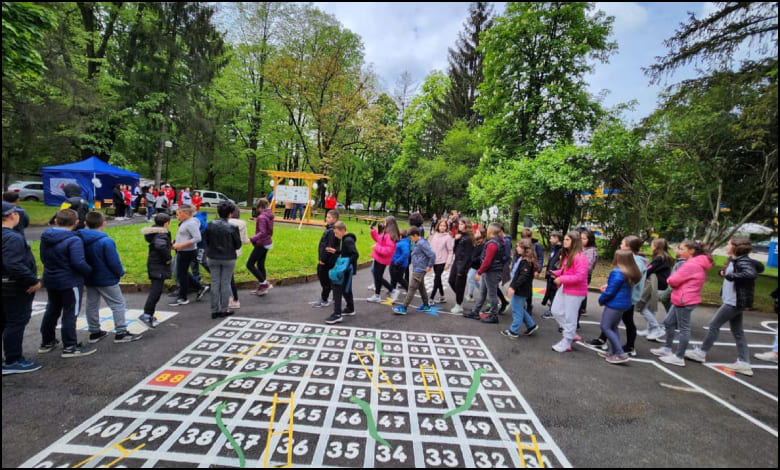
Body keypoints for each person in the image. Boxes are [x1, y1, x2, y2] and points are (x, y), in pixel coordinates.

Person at [684, 238, 764, 376]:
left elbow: (750, 273)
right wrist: (724, 272)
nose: (726, 246)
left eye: (728, 244)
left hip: (733, 301)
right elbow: (755, 268)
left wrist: (731, 275)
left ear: (736, 247)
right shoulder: (737, 260)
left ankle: (701, 352)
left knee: (714, 324)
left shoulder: (743, 261)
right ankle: (744, 363)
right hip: (734, 300)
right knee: (738, 331)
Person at [39, 209, 95, 357]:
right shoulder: (74, 240)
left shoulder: (46, 237)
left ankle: (47, 341)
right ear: (76, 223)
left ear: (56, 221)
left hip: (50, 277)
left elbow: (43, 258)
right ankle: (70, 346)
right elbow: (78, 262)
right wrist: (89, 270)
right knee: (71, 312)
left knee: (52, 310)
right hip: (70, 280)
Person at [80, 211, 143, 344]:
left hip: (88, 276)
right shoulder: (106, 241)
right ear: (104, 223)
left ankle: (94, 331)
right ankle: (121, 332)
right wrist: (120, 272)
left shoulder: (79, 238)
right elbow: (113, 262)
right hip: (106, 277)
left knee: (92, 304)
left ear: (85, 223)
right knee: (118, 304)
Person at [650, 240, 713, 366]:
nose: (680, 250)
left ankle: (679, 356)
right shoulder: (693, 263)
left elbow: (673, 280)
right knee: (668, 322)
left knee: (684, 328)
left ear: (691, 251)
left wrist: (670, 279)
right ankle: (667, 348)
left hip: (685, 299)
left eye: (683, 248)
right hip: (682, 297)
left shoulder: (691, 265)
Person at [589, 235, 647, 356]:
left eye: (622, 243)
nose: (620, 245)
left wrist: (603, 298)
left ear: (629, 247)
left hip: (624, 299)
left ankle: (624, 349)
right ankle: (610, 347)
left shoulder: (632, 263)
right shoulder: (629, 263)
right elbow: (621, 282)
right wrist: (610, 285)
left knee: (612, 324)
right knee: (612, 325)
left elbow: (627, 282)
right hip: (624, 298)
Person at [2, 201, 42, 374]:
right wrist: (32, 280)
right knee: (16, 321)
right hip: (13, 286)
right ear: (13, 215)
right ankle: (13, 359)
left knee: (5, 321)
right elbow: (14, 264)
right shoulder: (12, 238)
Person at [597, 249, 642, 364]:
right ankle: (613, 352)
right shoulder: (630, 272)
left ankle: (620, 353)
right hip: (623, 304)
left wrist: (601, 299)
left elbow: (611, 291)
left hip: (614, 304)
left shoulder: (617, 272)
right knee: (613, 327)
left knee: (605, 326)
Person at [549, 231, 588, 353]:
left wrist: (561, 278)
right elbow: (567, 271)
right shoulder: (568, 255)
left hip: (575, 292)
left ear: (574, 242)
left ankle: (567, 342)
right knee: (555, 310)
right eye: (565, 239)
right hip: (566, 287)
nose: (564, 241)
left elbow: (580, 277)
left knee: (570, 317)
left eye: (567, 240)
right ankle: (571, 334)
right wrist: (557, 273)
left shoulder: (580, 258)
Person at [204, 201, 242, 319]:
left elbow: (206, 240)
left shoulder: (210, 224)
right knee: (225, 283)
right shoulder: (233, 227)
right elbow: (237, 245)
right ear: (230, 214)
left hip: (213, 256)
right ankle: (225, 309)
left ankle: (214, 310)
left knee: (215, 282)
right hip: (228, 257)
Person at [465, 222, 506, 324]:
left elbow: (488, 261)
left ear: (490, 231)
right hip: (490, 271)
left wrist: (479, 272)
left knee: (492, 294)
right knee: (482, 292)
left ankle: (494, 315)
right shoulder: (496, 242)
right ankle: (475, 311)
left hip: (492, 272)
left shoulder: (492, 244)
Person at [169, 204, 209, 306]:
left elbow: (197, 238)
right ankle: (200, 287)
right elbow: (184, 236)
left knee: (181, 274)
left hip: (187, 252)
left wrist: (181, 245)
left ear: (186, 213)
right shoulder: (187, 222)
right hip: (183, 250)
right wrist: (175, 244)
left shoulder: (190, 223)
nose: (177, 216)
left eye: (179, 214)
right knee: (182, 273)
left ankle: (183, 297)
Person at [501, 239, 540, 338]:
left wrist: (513, 287)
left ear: (525, 249)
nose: (516, 248)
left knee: (516, 310)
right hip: (521, 289)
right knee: (519, 309)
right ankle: (531, 325)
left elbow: (523, 277)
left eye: (518, 246)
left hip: (520, 290)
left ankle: (513, 331)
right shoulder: (524, 259)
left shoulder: (526, 262)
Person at [393, 226, 435, 315]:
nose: (410, 239)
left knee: (411, 288)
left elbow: (432, 255)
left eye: (411, 237)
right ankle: (426, 305)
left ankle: (404, 308)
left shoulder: (422, 243)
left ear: (416, 235)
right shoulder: (417, 242)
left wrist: (429, 266)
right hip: (417, 268)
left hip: (420, 269)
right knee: (421, 287)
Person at [140, 213, 172, 329]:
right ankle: (147, 314)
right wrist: (168, 258)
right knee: (156, 291)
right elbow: (160, 246)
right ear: (166, 223)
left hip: (154, 263)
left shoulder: (154, 233)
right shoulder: (162, 234)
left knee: (156, 290)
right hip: (159, 265)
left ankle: (148, 313)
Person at [638, 238, 672, 340]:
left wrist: (642, 277)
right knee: (650, 308)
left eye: (652, 244)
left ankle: (656, 329)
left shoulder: (659, 258)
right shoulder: (666, 257)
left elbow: (648, 269)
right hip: (660, 286)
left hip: (656, 286)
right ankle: (650, 330)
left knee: (643, 308)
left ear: (657, 246)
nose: (651, 246)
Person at [325, 221, 359, 324]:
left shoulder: (347, 240)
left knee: (337, 288)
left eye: (336, 233)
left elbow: (355, 254)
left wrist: (346, 264)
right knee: (346, 289)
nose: (336, 235)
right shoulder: (346, 239)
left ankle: (337, 314)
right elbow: (346, 253)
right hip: (348, 269)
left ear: (343, 230)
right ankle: (350, 308)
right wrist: (335, 251)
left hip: (346, 270)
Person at [367, 216, 400, 303]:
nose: (383, 223)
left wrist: (376, 247)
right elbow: (378, 239)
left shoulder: (389, 236)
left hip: (382, 259)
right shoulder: (386, 233)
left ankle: (393, 290)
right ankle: (377, 295)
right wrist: (373, 230)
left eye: (385, 222)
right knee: (377, 275)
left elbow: (389, 250)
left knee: (378, 276)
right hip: (379, 257)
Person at [313, 210, 339, 308]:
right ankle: (332, 294)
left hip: (327, 260)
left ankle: (324, 299)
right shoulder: (329, 229)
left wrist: (322, 260)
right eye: (326, 217)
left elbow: (329, 247)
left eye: (329, 217)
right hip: (328, 259)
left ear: (335, 219)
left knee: (324, 279)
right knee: (325, 279)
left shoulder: (332, 231)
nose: (326, 219)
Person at [248, 198, 274, 296]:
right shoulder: (269, 215)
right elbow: (268, 231)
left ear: (259, 207)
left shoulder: (262, 217)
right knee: (260, 265)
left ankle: (264, 283)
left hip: (262, 243)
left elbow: (262, 232)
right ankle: (262, 288)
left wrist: (251, 239)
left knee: (250, 264)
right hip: (267, 243)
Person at [448, 217, 474, 314]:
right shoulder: (460, 236)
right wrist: (456, 240)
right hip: (456, 261)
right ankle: (460, 298)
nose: (460, 225)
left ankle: (459, 304)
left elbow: (468, 255)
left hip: (462, 264)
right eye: (459, 224)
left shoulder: (468, 238)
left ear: (467, 225)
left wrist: (462, 269)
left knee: (460, 285)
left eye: (462, 224)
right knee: (451, 281)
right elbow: (455, 250)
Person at [228, 205, 250, 309]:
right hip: (235, 251)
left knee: (227, 277)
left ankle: (233, 299)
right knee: (229, 275)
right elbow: (245, 241)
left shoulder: (225, 223)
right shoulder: (242, 224)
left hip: (223, 251)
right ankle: (233, 299)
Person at [429, 219, 454, 304]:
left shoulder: (448, 237)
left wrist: (448, 264)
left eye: (444, 226)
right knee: (438, 278)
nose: (442, 227)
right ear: (438, 226)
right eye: (441, 225)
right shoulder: (435, 235)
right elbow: (431, 248)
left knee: (436, 278)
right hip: (434, 261)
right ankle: (442, 296)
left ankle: (431, 298)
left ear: (447, 227)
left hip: (442, 261)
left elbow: (451, 251)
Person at [521, 228, 545, 314]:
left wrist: (538, 270)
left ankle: (529, 304)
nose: (526, 240)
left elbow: (541, 258)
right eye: (524, 237)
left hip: (531, 269)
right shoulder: (521, 244)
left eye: (528, 237)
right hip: (522, 267)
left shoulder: (536, 245)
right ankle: (521, 304)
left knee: (528, 287)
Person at [577, 228, 598, 325]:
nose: (581, 241)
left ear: (590, 240)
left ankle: (575, 321)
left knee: (577, 300)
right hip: (576, 275)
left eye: (584, 239)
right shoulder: (581, 248)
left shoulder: (591, 251)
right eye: (580, 238)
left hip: (583, 277)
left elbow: (588, 267)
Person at [541, 231, 563, 318]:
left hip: (555, 274)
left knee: (553, 292)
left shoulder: (561, 249)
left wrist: (554, 271)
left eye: (551, 238)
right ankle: (553, 307)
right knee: (550, 291)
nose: (550, 239)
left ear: (557, 238)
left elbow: (558, 263)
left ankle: (553, 310)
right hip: (551, 272)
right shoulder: (554, 248)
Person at [389, 229, 411, 302]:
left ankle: (408, 290)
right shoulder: (402, 242)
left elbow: (405, 254)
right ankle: (392, 290)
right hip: (397, 263)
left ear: (401, 236)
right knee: (394, 278)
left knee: (399, 278)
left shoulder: (403, 243)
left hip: (399, 265)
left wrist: (397, 262)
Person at [466, 226, 487, 302]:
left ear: (482, 234)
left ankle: (470, 295)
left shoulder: (484, 244)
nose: (476, 233)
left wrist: (474, 259)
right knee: (474, 280)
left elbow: (482, 256)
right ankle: (484, 291)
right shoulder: (476, 241)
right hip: (473, 263)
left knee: (471, 278)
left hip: (476, 264)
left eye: (478, 232)